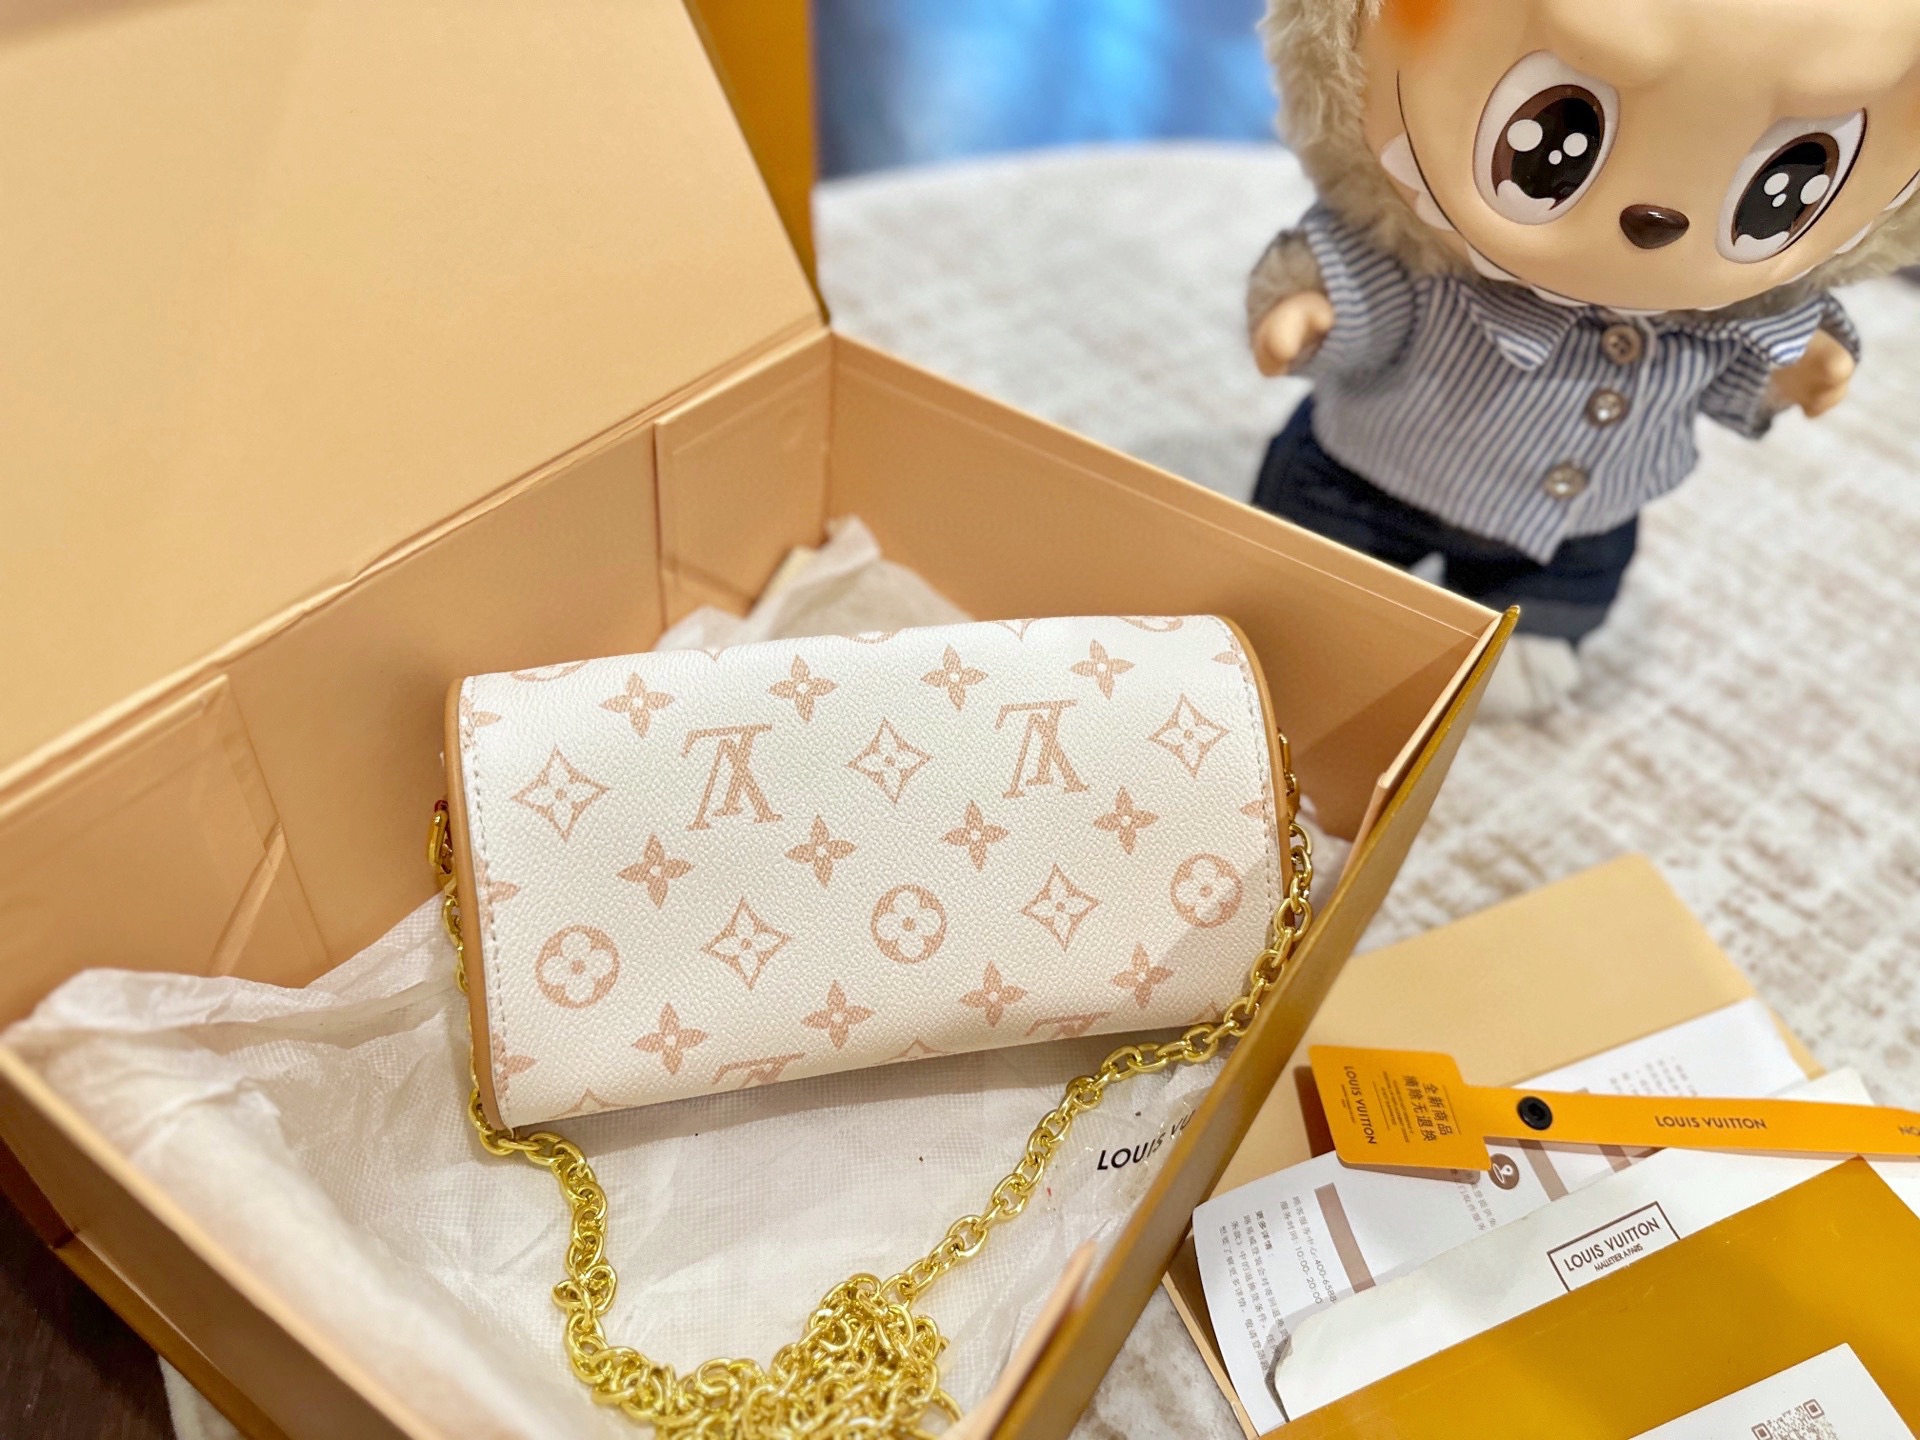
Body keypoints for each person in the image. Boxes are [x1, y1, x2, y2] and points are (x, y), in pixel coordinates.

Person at [1248, 0, 1920, 717]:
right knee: (1297, 606)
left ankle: (1527, 625)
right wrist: (1316, 307)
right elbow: (1375, 285)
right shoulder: (1436, 274)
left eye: (1785, 188)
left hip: (1574, 526)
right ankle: (1317, 598)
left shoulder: (1727, 323)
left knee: (1558, 600)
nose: (1658, 222)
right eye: (1554, 142)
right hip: (1368, 477)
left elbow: (1743, 366)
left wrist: (1789, 374)